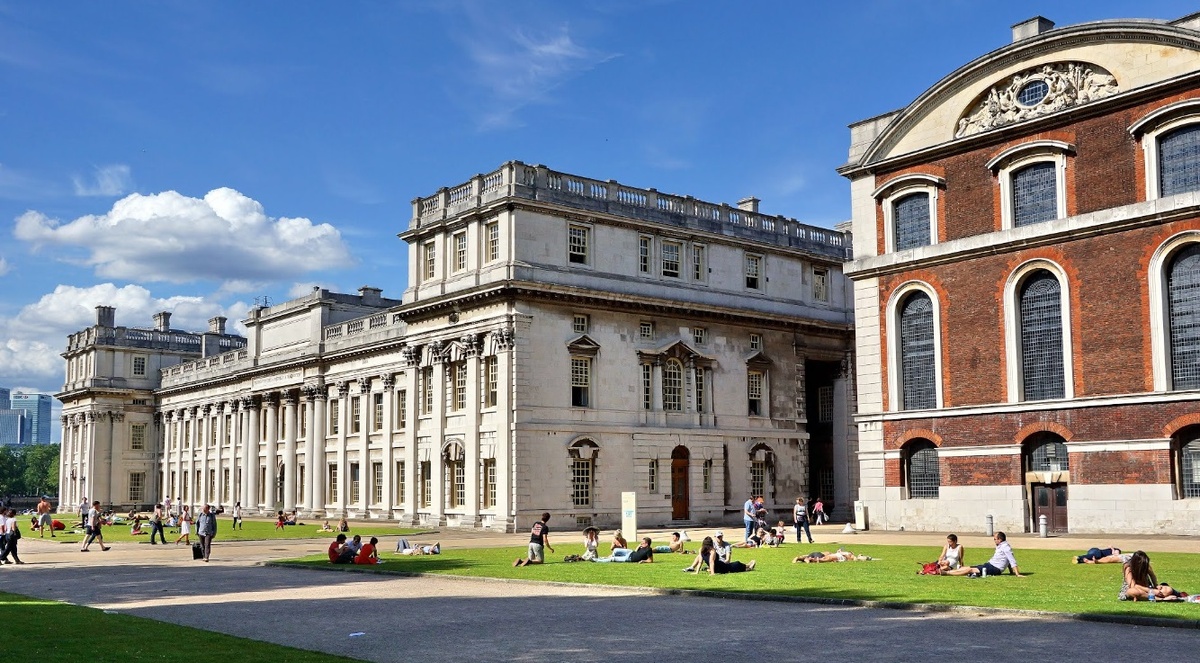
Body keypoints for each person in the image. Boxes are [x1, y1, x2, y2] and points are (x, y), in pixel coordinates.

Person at [944, 531, 1022, 577]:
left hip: (995, 568)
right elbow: (1007, 560)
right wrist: (1011, 572)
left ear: (1000, 539)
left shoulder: (1006, 547)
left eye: (995, 539)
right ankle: (947, 571)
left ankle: (947, 573)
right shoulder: (1000, 546)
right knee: (968, 567)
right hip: (989, 565)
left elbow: (1011, 560)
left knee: (970, 570)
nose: (994, 540)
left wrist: (1017, 574)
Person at [793, 548, 872, 563]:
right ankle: (810, 559)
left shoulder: (843, 553)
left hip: (818, 553)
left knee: (807, 556)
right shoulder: (849, 555)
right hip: (836, 556)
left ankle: (800, 558)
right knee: (824, 559)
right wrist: (860, 557)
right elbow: (855, 558)